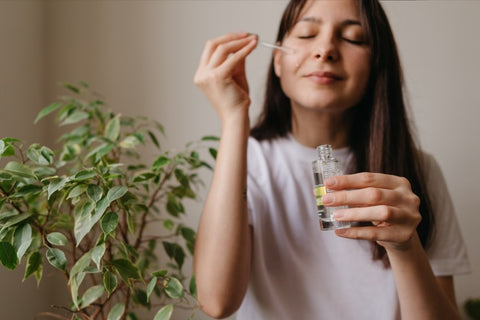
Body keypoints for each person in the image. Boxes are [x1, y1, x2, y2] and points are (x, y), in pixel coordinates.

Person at [193, 0, 470, 319]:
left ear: (377, 65)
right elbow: (216, 302)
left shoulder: (417, 172)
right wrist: (232, 117)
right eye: (307, 34)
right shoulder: (246, 161)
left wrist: (405, 248)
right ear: (277, 62)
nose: (325, 50)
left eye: (353, 38)